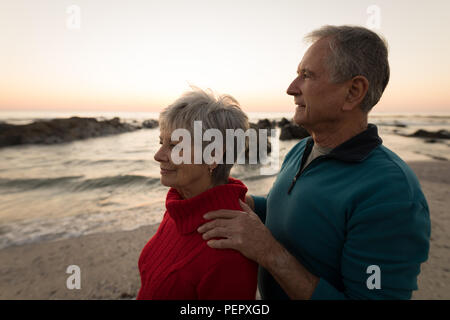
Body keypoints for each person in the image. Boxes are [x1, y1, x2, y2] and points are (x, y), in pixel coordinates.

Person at [198, 25, 431, 300]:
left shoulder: (390, 192)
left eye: (306, 76)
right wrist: (240, 199)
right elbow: (287, 212)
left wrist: (270, 253)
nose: (291, 88)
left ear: (353, 92)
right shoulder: (302, 149)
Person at [137, 88, 257, 300]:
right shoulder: (180, 208)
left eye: (174, 146)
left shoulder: (227, 253)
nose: (158, 155)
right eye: (161, 142)